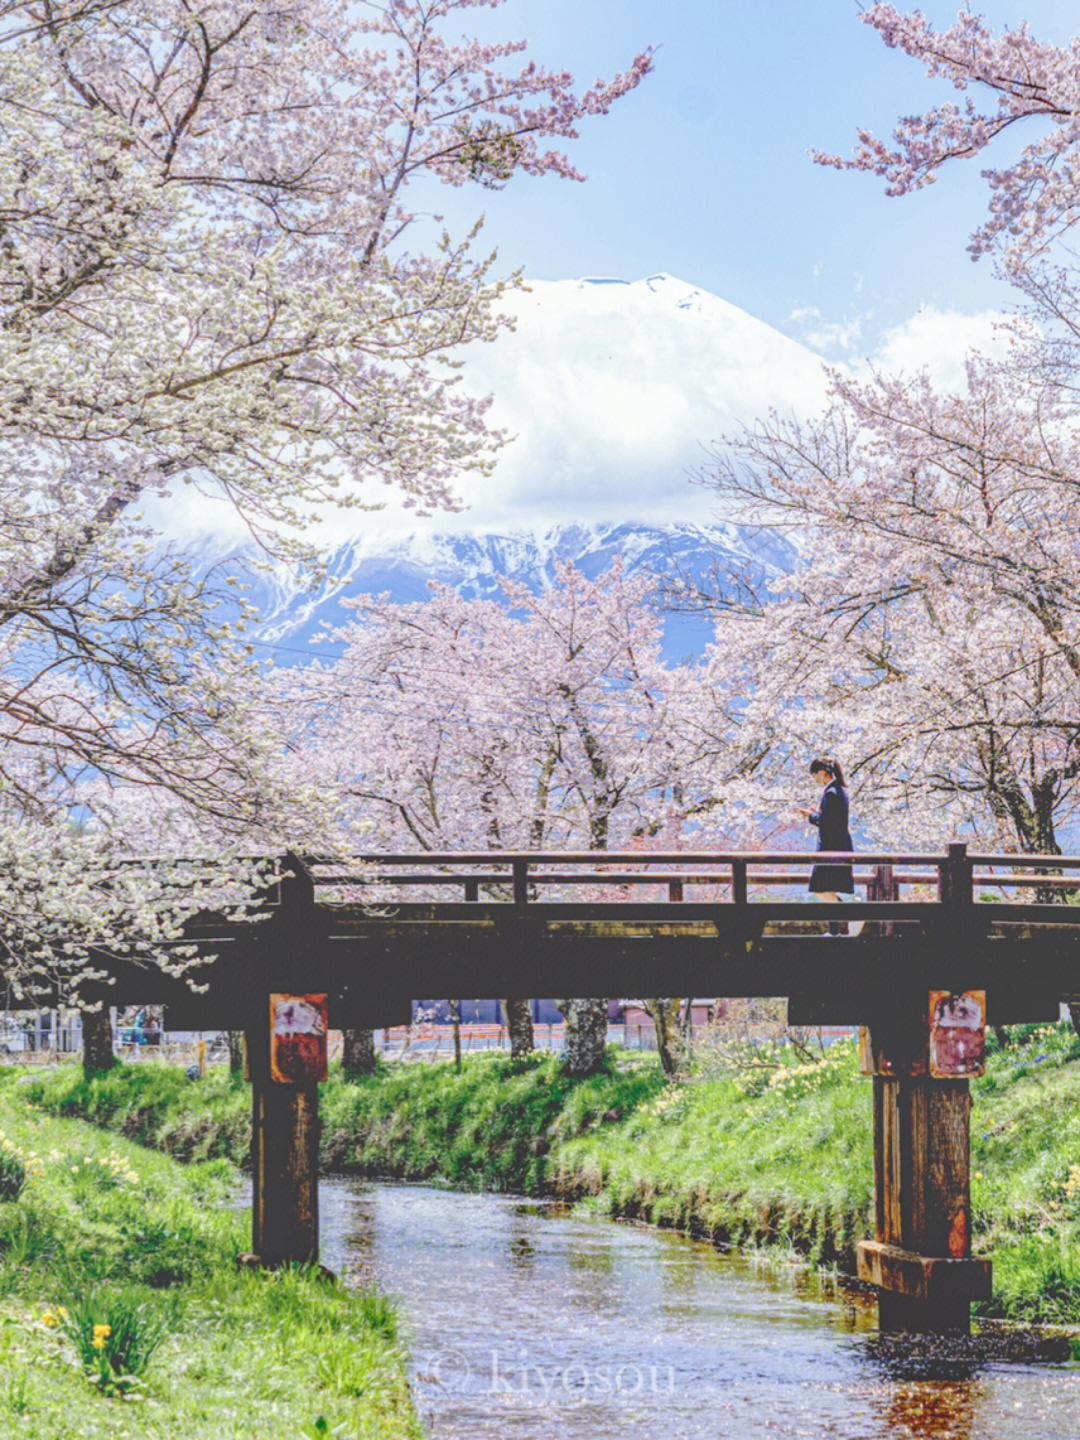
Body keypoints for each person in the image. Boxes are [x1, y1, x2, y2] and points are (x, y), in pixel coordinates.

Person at [796, 758, 859, 936]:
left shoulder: (831, 792)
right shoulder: (839, 791)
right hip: (839, 847)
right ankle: (834, 931)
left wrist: (810, 817)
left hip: (831, 849)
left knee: (820, 889)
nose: (816, 780)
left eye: (815, 776)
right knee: (828, 890)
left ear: (822, 773)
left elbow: (828, 822)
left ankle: (847, 914)